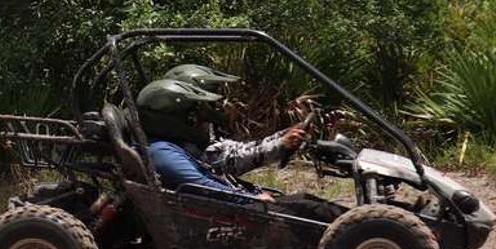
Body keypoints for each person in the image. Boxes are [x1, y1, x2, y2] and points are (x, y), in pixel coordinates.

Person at [135, 76, 342, 222]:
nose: (200, 121)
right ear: (171, 119)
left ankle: (366, 226)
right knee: (313, 210)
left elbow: (234, 155)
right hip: (233, 213)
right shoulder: (162, 152)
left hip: (238, 204)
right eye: (192, 116)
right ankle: (366, 231)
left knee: (308, 202)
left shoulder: (180, 146)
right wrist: (249, 198)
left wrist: (284, 137)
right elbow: (201, 186)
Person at [158, 64, 308, 176]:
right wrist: (280, 144)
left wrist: (284, 135)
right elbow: (230, 161)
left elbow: (232, 150)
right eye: (209, 99)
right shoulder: (179, 143)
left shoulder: (196, 130)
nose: (217, 105)